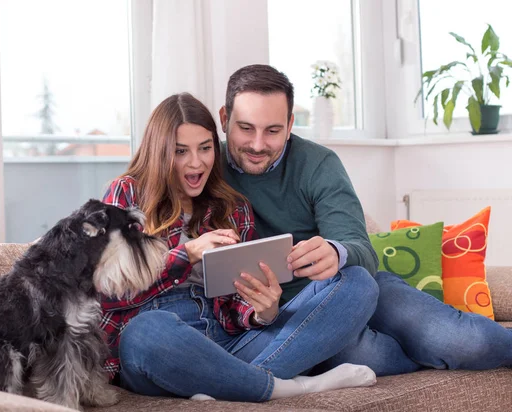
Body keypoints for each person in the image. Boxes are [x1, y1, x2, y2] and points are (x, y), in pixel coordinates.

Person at [218, 64, 512, 376]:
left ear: (290, 125)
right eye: (246, 128)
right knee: (364, 355)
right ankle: (424, 352)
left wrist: (335, 252)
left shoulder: (317, 164)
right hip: (295, 317)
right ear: (224, 120)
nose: (258, 144)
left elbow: (361, 249)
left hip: (354, 289)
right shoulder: (207, 169)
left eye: (273, 130)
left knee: (464, 341)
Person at [100, 92, 378, 402]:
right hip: (161, 348)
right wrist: (188, 254)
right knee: (145, 332)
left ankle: (230, 385)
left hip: (230, 346)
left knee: (357, 283)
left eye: (205, 148)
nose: (196, 162)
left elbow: (235, 311)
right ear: (158, 152)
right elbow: (105, 295)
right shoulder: (126, 194)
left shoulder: (230, 206)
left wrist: (263, 311)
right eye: (180, 151)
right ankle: (295, 386)